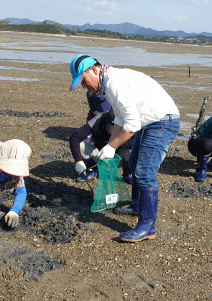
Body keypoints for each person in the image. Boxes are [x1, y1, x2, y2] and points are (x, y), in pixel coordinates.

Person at [70, 54, 180, 243]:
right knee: (136, 163)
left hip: (162, 122)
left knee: (145, 173)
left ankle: (147, 226)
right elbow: (120, 119)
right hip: (151, 122)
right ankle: (137, 206)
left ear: (94, 70)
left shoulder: (114, 83)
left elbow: (132, 124)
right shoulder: (109, 84)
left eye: (84, 80)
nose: (84, 86)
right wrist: (109, 145)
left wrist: (112, 146)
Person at [69, 108, 134, 184]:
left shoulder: (132, 123)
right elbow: (74, 137)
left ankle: (128, 173)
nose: (111, 133)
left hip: (119, 157)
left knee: (133, 150)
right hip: (99, 156)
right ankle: (93, 170)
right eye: (110, 129)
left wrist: (114, 144)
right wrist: (78, 161)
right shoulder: (99, 120)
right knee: (80, 145)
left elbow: (137, 142)